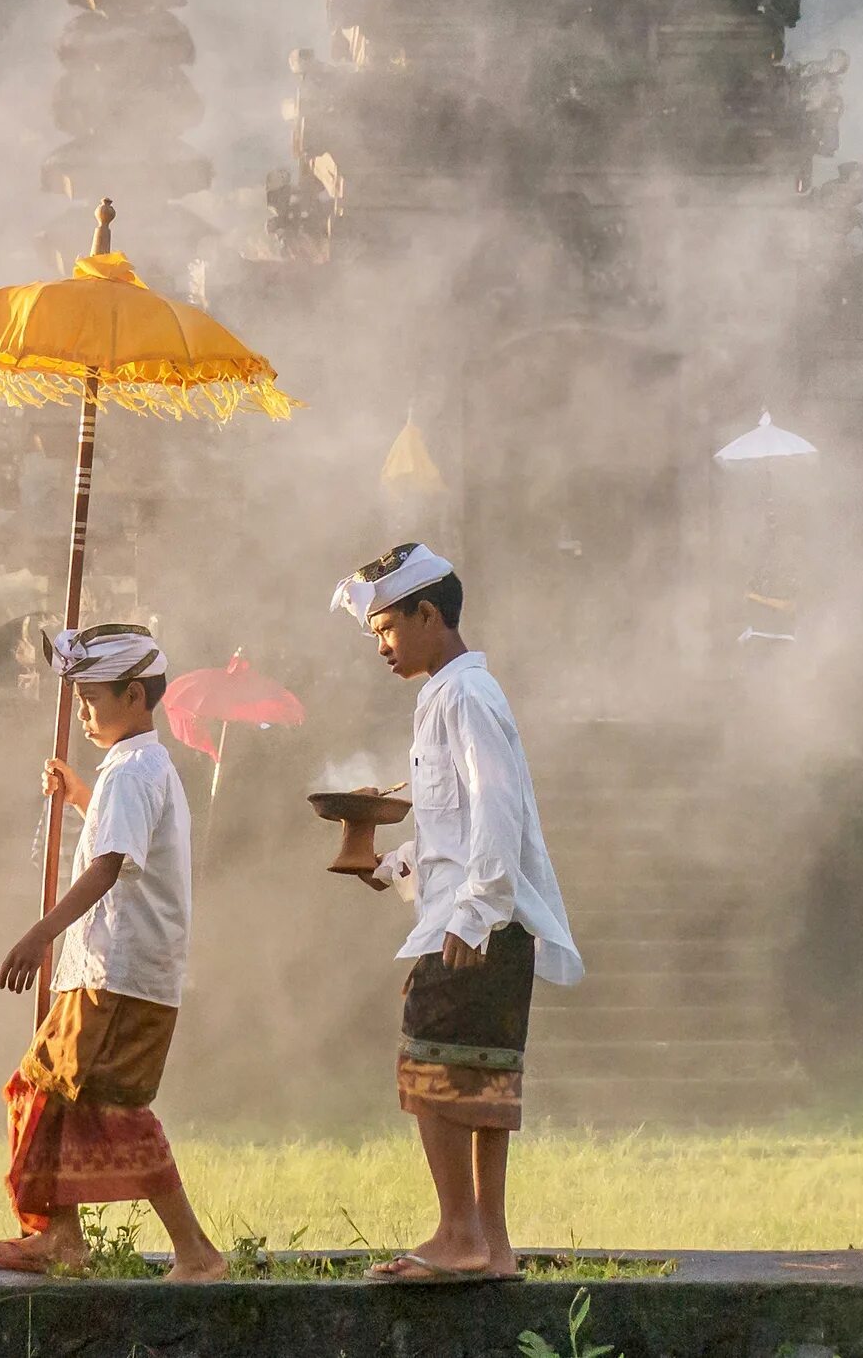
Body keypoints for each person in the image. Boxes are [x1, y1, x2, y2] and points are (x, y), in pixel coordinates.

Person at [331, 543, 582, 1284]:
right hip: (478, 914)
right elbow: (457, 824)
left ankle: (458, 1234)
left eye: (387, 629)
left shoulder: (466, 696)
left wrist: (475, 913)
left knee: (429, 1062)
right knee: (478, 1076)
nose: (381, 645)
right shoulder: (445, 695)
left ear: (428, 614)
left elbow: (500, 809)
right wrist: (395, 866)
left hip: (481, 924)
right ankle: (490, 1245)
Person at [0, 625, 227, 1281]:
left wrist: (40, 932)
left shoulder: (136, 771)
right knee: (47, 1092)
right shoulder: (134, 769)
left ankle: (195, 1252)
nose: (83, 713)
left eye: (92, 698)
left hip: (117, 975)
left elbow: (111, 864)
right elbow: (120, 837)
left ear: (136, 697)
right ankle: (60, 1236)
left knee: (109, 1108)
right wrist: (80, 794)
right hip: (103, 973)